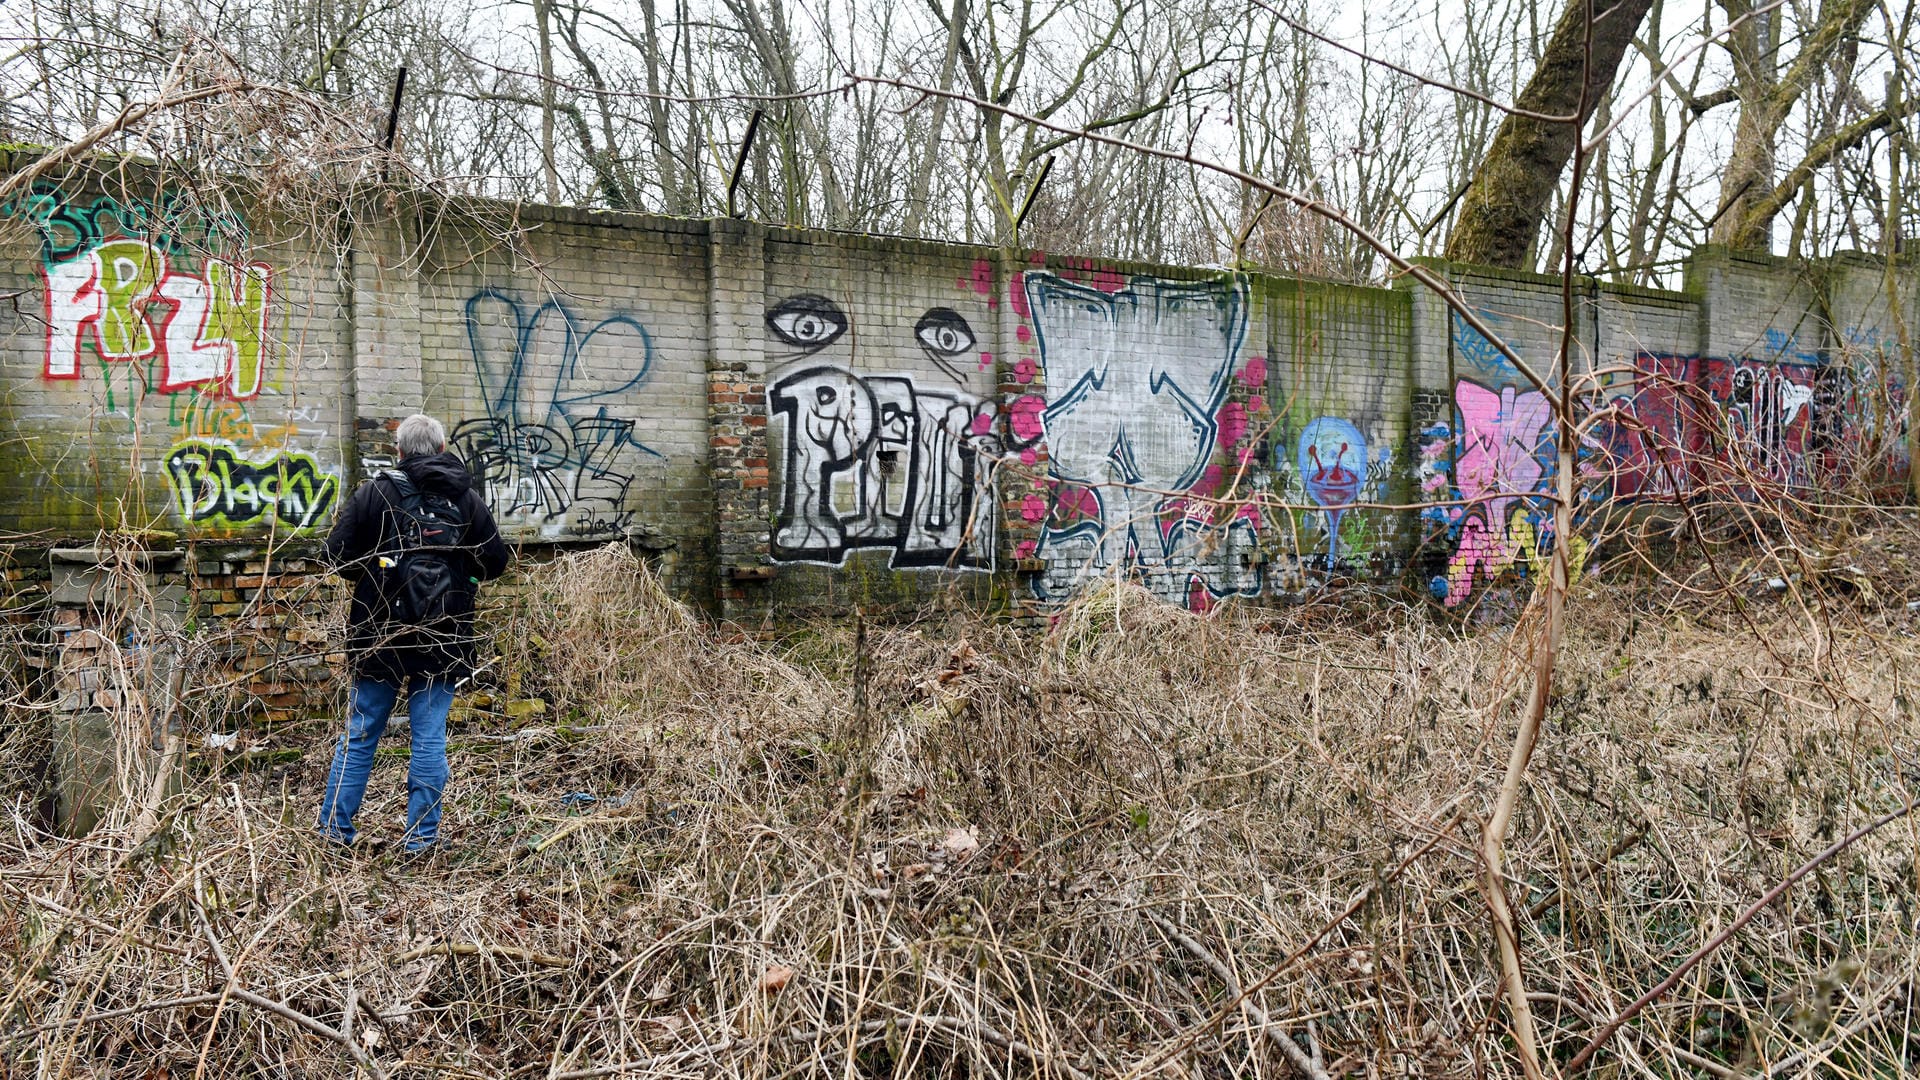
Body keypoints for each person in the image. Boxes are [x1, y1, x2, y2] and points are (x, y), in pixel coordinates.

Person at [318, 413, 509, 853]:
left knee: (362, 733)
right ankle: (420, 843)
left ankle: (334, 834)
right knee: (428, 737)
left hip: (379, 633)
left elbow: (334, 555)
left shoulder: (376, 492)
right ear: (442, 450)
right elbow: (495, 562)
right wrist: (462, 577)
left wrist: (376, 574)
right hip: (444, 635)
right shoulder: (467, 499)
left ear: (398, 452)